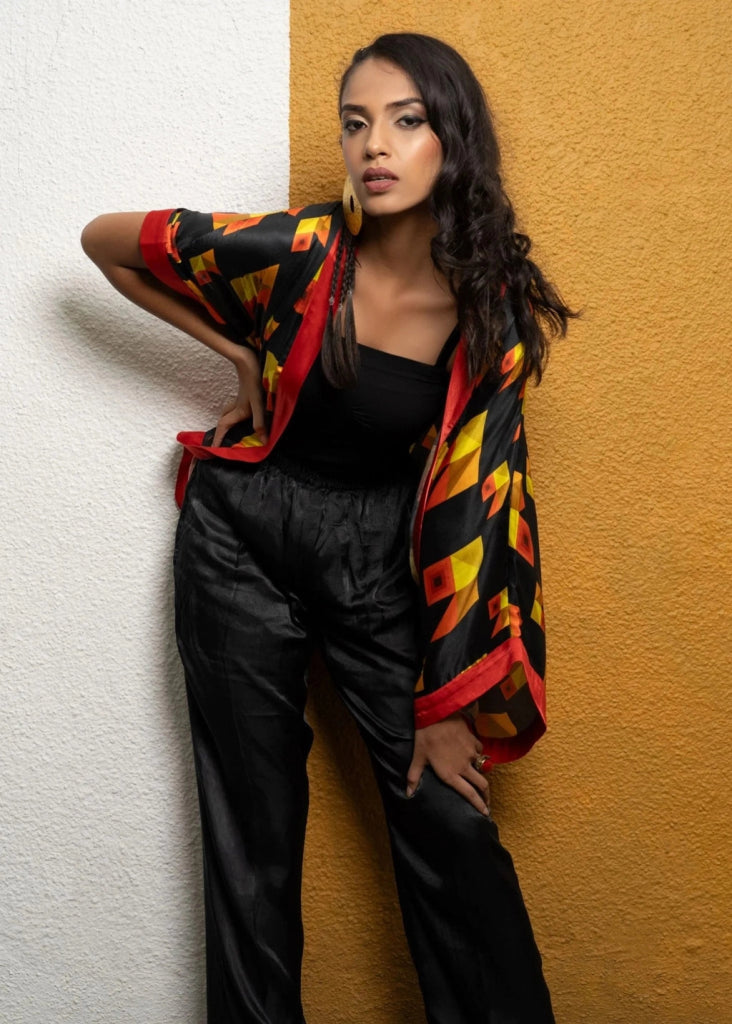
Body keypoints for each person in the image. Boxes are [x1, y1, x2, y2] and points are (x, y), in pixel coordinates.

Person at [81, 32, 574, 1024]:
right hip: (239, 539)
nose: (374, 144)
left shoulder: (494, 311)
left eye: (405, 120)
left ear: (453, 140)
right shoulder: (300, 250)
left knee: (448, 819)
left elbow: (484, 501)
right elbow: (106, 242)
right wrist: (236, 355)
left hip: (380, 551)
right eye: (356, 123)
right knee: (251, 837)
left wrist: (444, 700)